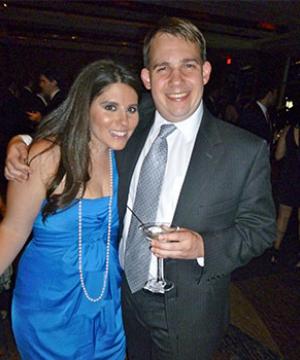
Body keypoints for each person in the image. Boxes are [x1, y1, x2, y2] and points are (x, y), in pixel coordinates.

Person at [5, 17, 276, 360]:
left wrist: (203, 245)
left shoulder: (244, 150)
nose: (176, 80)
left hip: (188, 315)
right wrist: (25, 142)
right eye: (163, 67)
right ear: (147, 77)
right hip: (119, 299)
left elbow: (262, 230)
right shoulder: (129, 123)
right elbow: (80, 126)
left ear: (205, 72)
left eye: (188, 66)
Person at [0, 59, 140, 359]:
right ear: (84, 105)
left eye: (131, 109)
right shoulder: (46, 157)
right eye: (110, 107)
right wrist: (22, 141)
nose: (124, 121)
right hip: (47, 306)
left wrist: (19, 138)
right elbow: (11, 231)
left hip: (106, 300)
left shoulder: (126, 156)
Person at [271, 105, 300, 265]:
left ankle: (275, 252)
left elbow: (278, 155)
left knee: (283, 217)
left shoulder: (288, 130)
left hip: (289, 179)